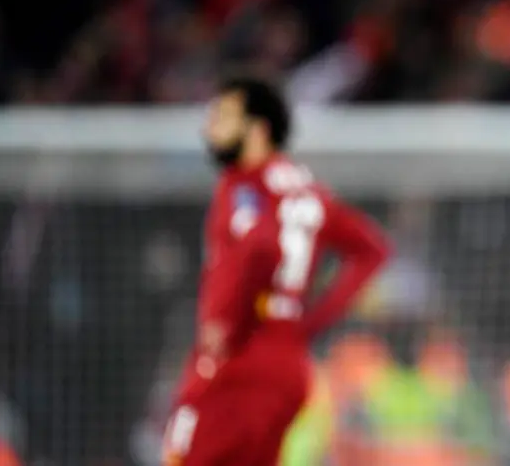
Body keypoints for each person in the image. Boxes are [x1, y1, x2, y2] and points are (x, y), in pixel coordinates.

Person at [161, 77, 391, 466]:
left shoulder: (244, 186)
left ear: (257, 129)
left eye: (222, 117)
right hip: (287, 363)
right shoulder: (308, 190)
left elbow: (258, 245)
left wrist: (222, 322)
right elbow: (373, 251)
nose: (209, 128)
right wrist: (309, 320)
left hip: (239, 357)